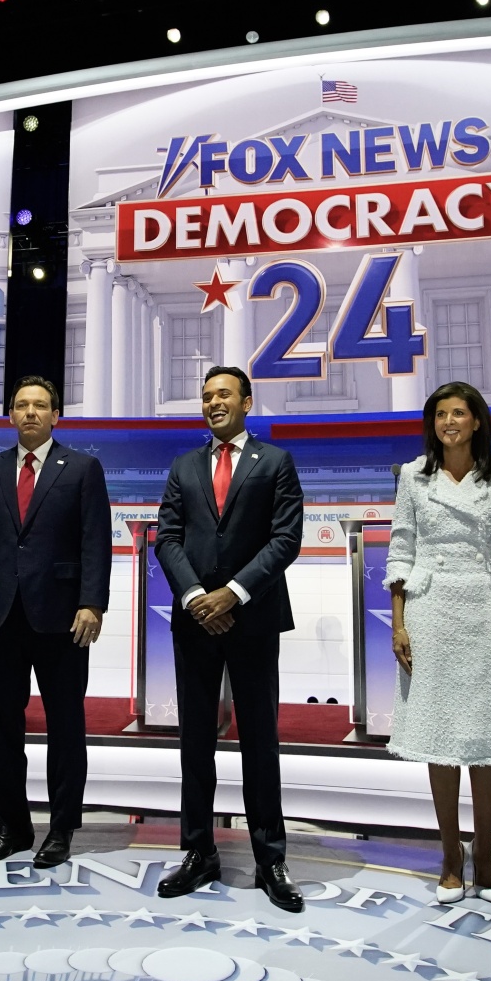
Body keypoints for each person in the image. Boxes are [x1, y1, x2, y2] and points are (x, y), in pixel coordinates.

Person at [153, 365, 306, 911]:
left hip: (253, 618)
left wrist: (234, 593)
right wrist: (197, 597)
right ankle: (199, 852)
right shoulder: (183, 466)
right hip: (196, 622)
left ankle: (270, 858)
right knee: (195, 740)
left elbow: (286, 539)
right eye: (206, 396)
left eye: (223, 394)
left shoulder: (276, 463)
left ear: (247, 400)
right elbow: (166, 538)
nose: (213, 403)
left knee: (259, 742)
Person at [387, 382, 491, 904]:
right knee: (439, 737)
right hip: (430, 611)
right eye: (440, 414)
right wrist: (399, 621)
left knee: (483, 738)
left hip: (487, 611)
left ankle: (485, 854)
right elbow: (401, 549)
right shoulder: (413, 476)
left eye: (459, 413)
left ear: (477, 421)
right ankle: (450, 855)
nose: (449, 422)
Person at [0, 376, 110, 869]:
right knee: (4, 727)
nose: (30, 413)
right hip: (0, 616)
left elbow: (95, 542)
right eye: (21, 405)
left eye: (40, 405)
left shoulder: (82, 468)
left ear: (56, 415)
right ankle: (12, 826)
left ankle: (61, 828)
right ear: (11, 415)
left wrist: (93, 603)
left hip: (63, 618)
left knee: (66, 726)